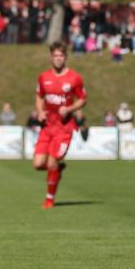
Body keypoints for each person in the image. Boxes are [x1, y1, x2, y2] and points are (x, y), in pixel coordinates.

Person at [32, 42, 87, 209]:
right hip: (47, 126)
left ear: (65, 57)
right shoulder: (43, 77)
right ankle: (58, 169)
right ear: (51, 57)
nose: (58, 59)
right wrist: (40, 111)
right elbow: (39, 96)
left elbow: (83, 99)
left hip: (64, 127)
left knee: (51, 163)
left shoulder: (74, 78)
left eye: (61, 56)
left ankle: (49, 199)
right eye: (55, 56)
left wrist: (69, 108)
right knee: (38, 164)